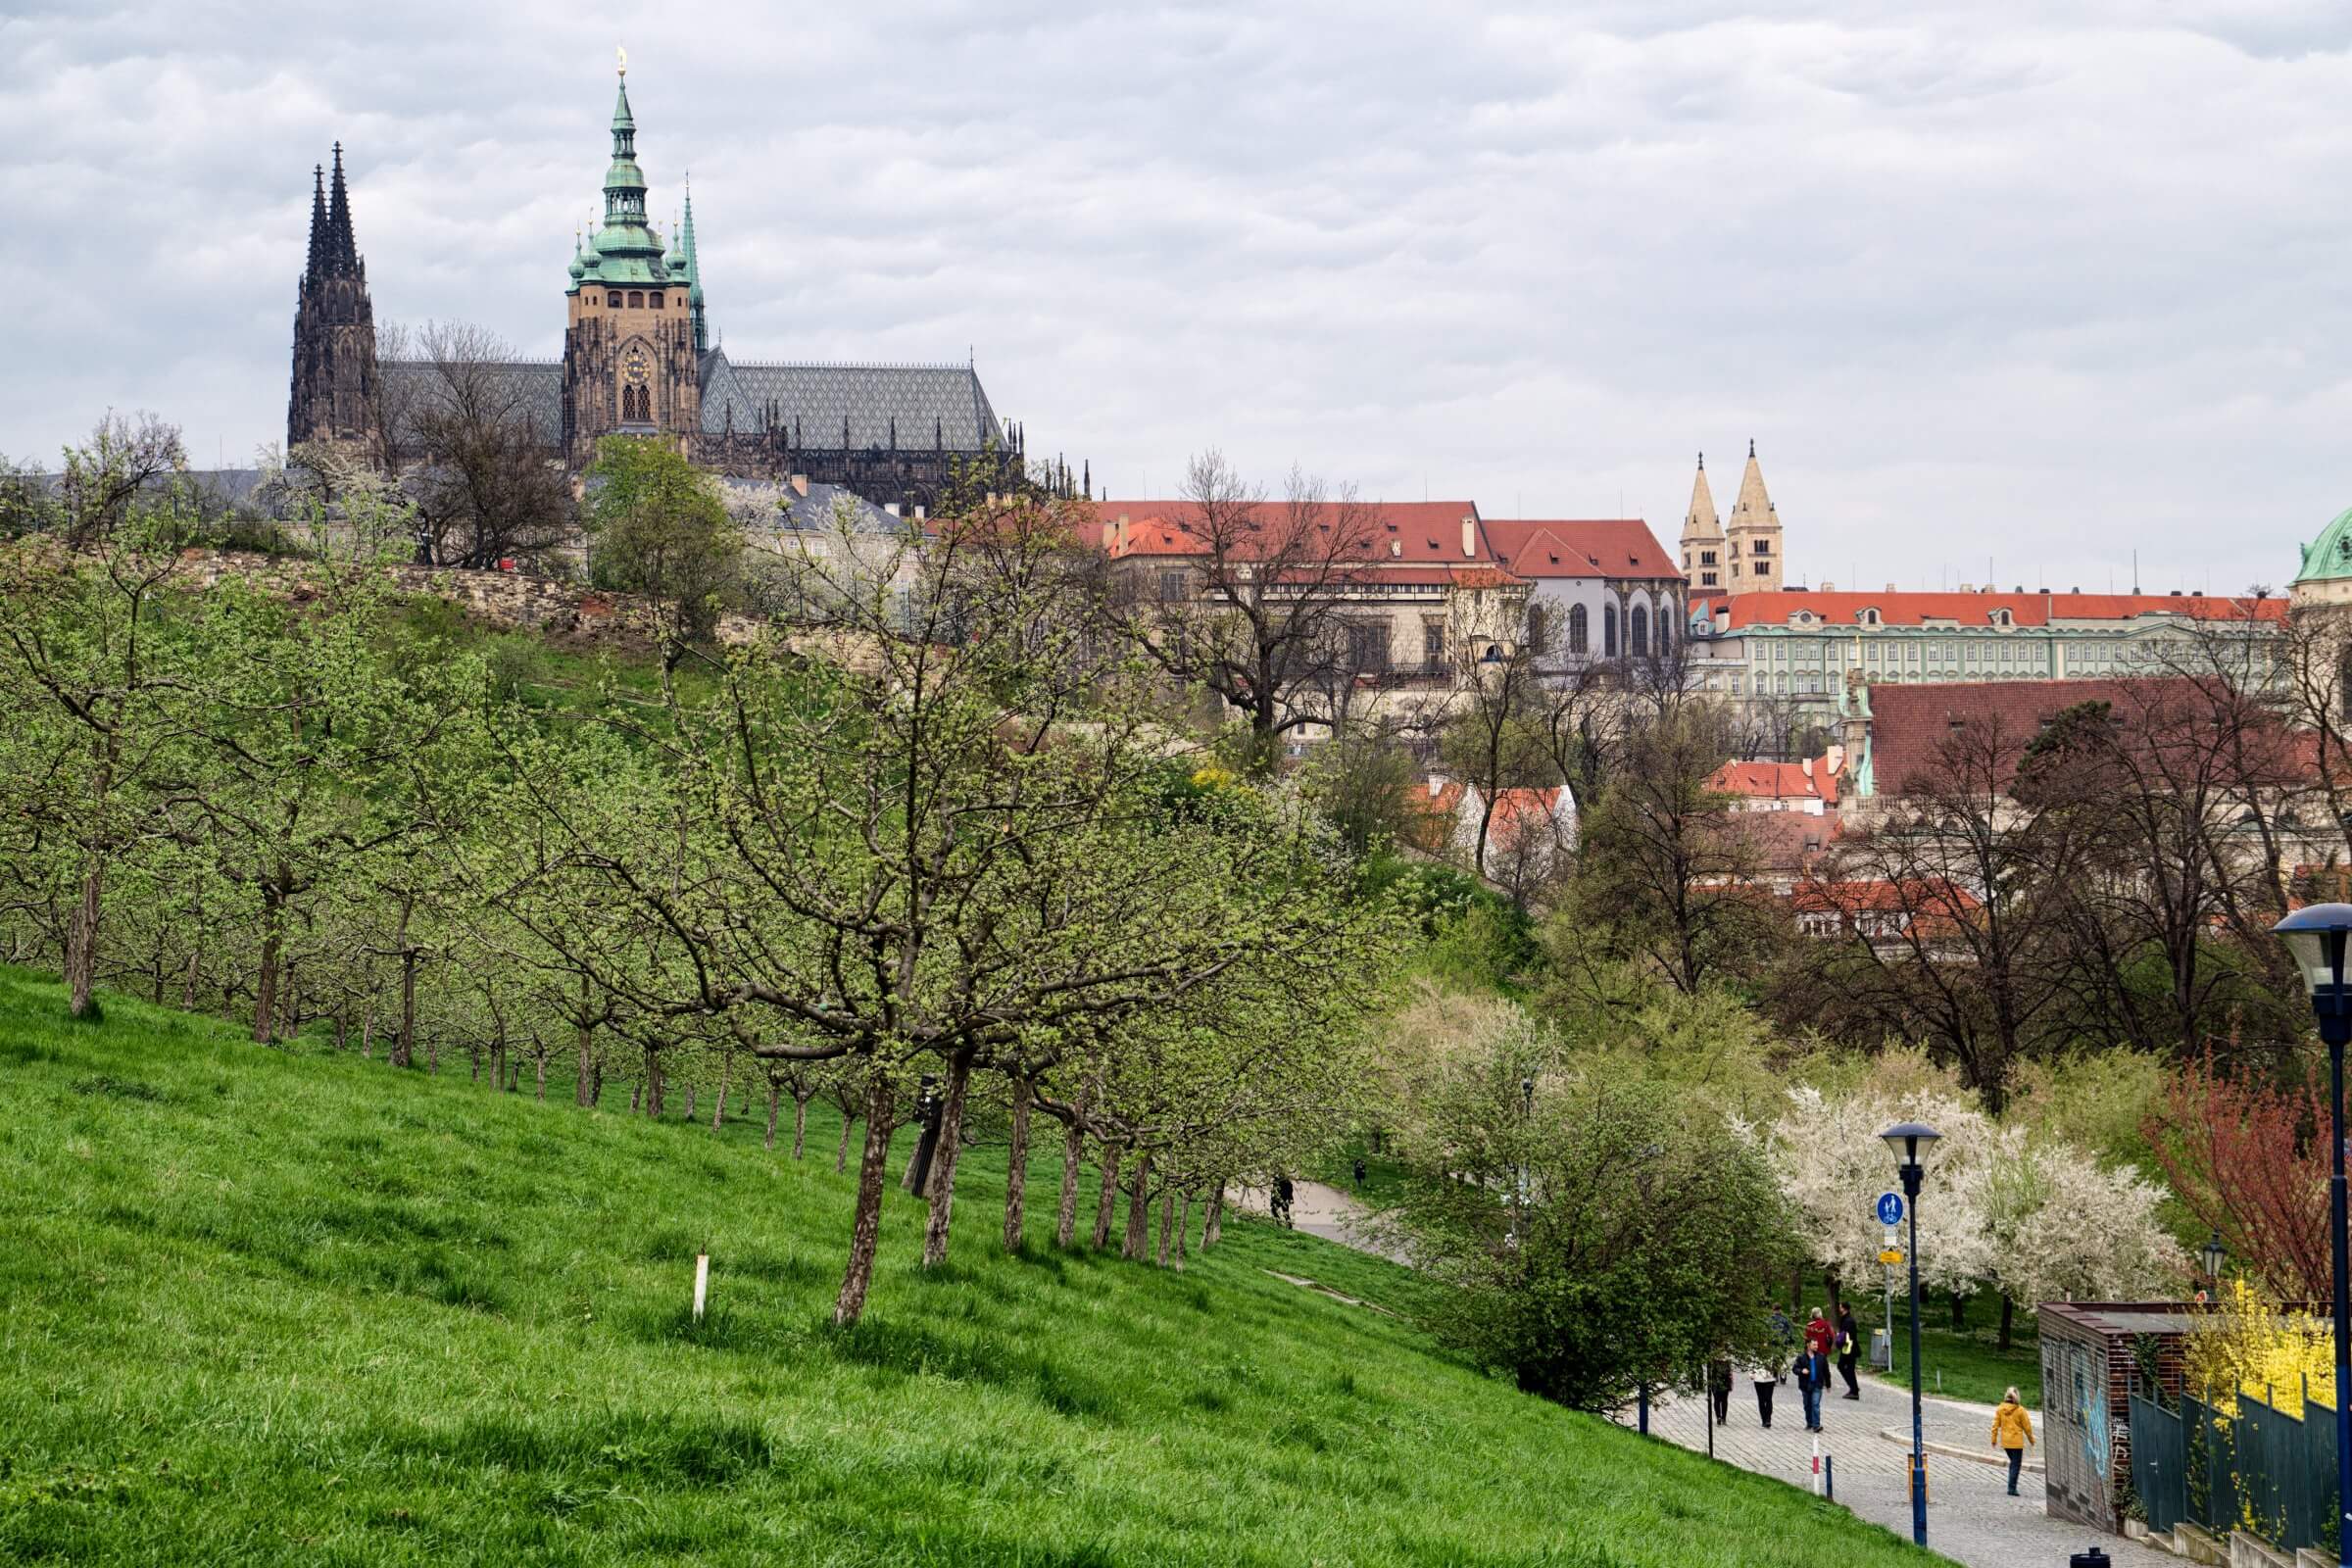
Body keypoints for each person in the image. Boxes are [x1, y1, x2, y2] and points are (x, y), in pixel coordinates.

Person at [1991, 1386, 2035, 1495]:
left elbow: (1995, 1425)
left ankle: (2012, 1486)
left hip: (2006, 1442)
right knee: (2016, 1464)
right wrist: (2031, 1440)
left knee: (2013, 1463)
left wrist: (1994, 1439)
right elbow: (2027, 1427)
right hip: (2016, 1443)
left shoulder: (2000, 1409)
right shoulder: (2021, 1410)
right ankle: (2012, 1488)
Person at [1835, 1303, 1862, 1399]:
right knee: (1846, 1367)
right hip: (1848, 1348)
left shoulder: (1848, 1320)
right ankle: (1853, 1388)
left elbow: (1848, 1335)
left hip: (1849, 1348)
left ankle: (1854, 1390)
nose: (1839, 1308)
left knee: (1844, 1366)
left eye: (1840, 1306)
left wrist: (1840, 1337)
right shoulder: (1846, 1319)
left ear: (1844, 1308)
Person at [1751, 1357, 1779, 1429]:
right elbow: (1751, 1363)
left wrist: (1774, 1373)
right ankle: (1764, 1419)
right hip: (1758, 1379)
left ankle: (1768, 1419)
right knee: (1761, 1400)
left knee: (1768, 1399)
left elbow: (1777, 1365)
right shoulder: (1756, 1352)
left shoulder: (1772, 1353)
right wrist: (1751, 1374)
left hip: (1769, 1380)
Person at [1708, 1356, 1734, 1425]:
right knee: (1721, 1400)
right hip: (1718, 1382)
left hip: (1721, 1382)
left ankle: (1721, 1417)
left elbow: (1730, 1373)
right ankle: (1721, 1417)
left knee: (1721, 1400)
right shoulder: (1715, 1362)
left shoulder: (1719, 1362)